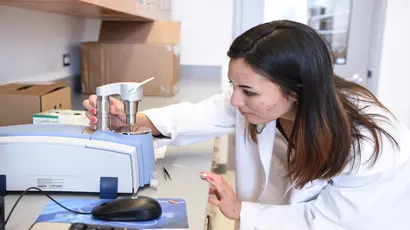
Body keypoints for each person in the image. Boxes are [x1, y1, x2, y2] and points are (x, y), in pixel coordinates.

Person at [83, 20, 410, 229]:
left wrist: (242, 211)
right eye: (233, 85)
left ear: (296, 90)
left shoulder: (366, 148)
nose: (235, 100)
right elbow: (207, 112)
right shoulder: (270, 100)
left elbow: (331, 222)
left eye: (248, 91)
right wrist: (131, 121)